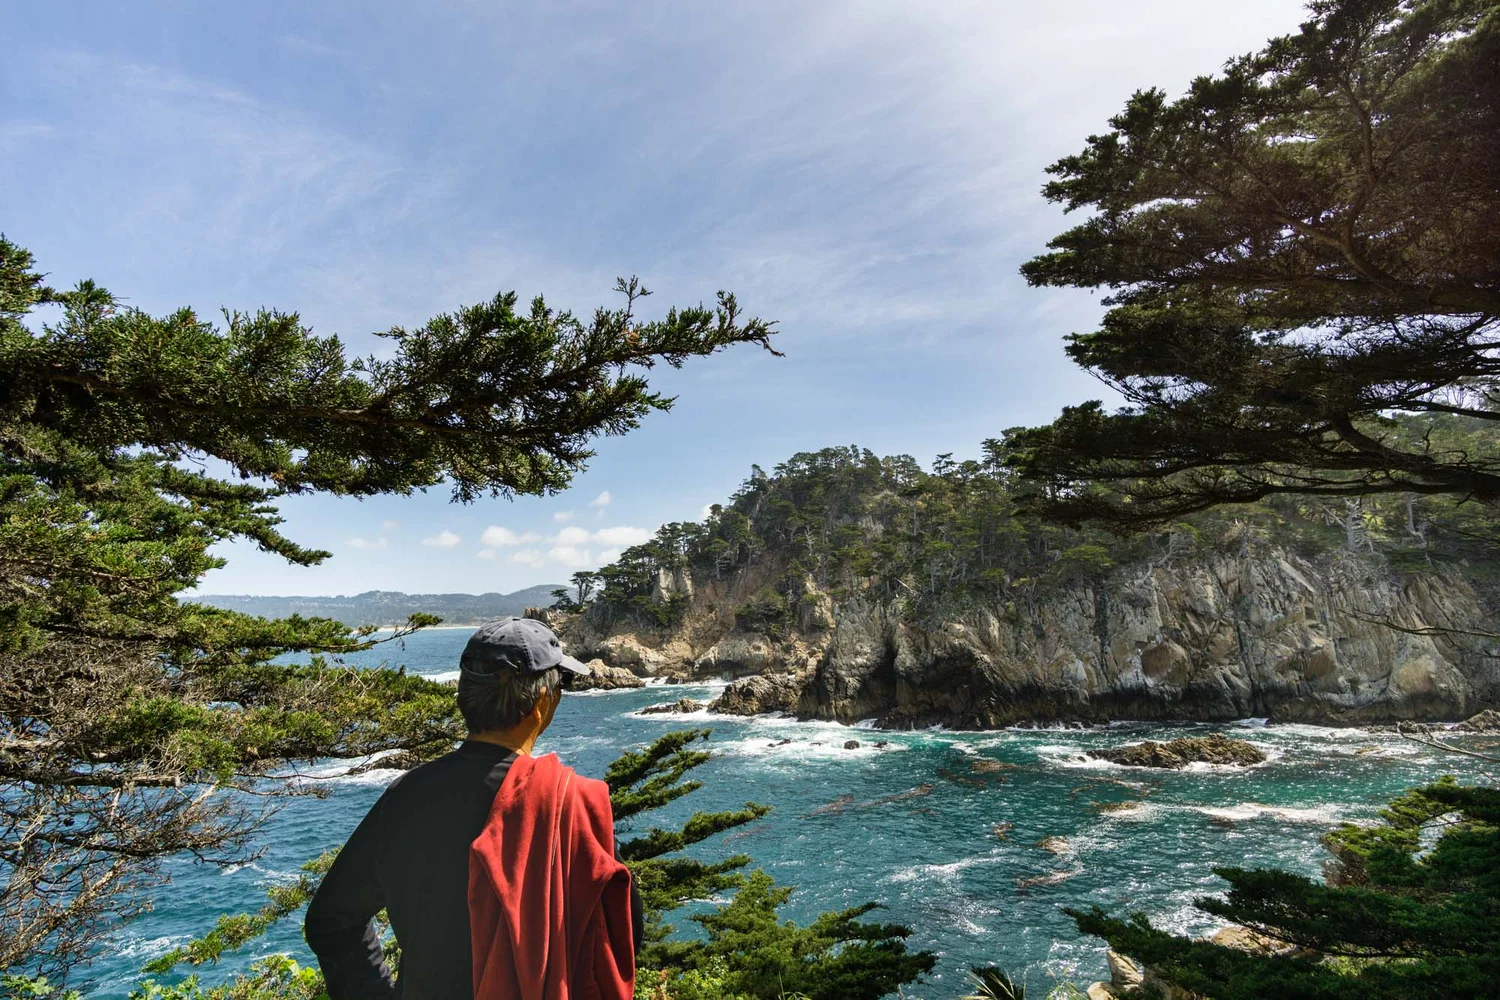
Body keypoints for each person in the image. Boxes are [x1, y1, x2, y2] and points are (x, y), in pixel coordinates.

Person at [304, 617, 640, 1000]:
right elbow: (625, 927)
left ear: (465, 697)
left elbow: (330, 921)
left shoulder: (407, 795)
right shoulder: (568, 802)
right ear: (541, 703)